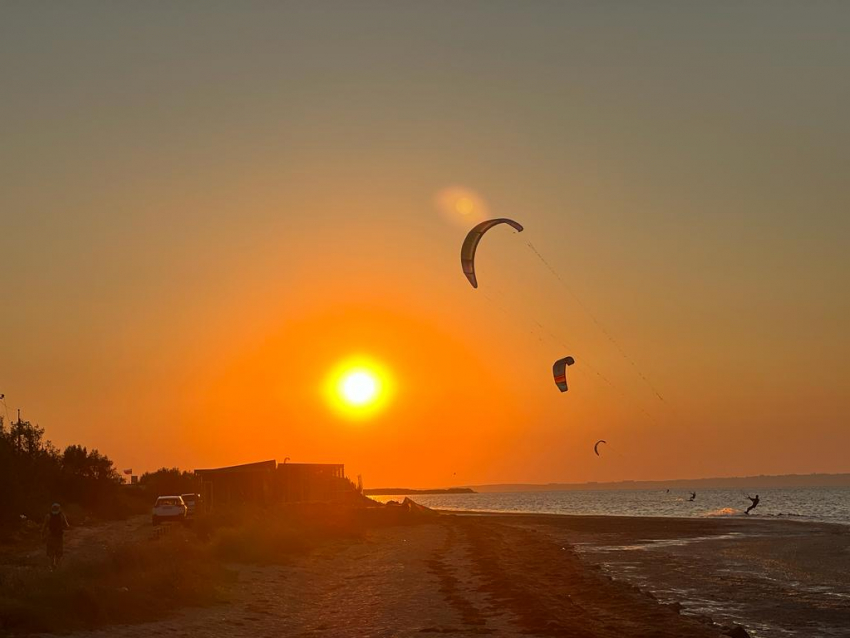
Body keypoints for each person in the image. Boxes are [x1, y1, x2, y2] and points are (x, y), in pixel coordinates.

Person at [42, 503, 70, 570]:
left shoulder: (48, 516)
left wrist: (42, 535)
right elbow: (67, 526)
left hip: (50, 536)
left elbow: (44, 527)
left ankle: (52, 566)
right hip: (59, 537)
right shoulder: (62, 515)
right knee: (58, 552)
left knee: (51, 552)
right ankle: (57, 566)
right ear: (59, 509)